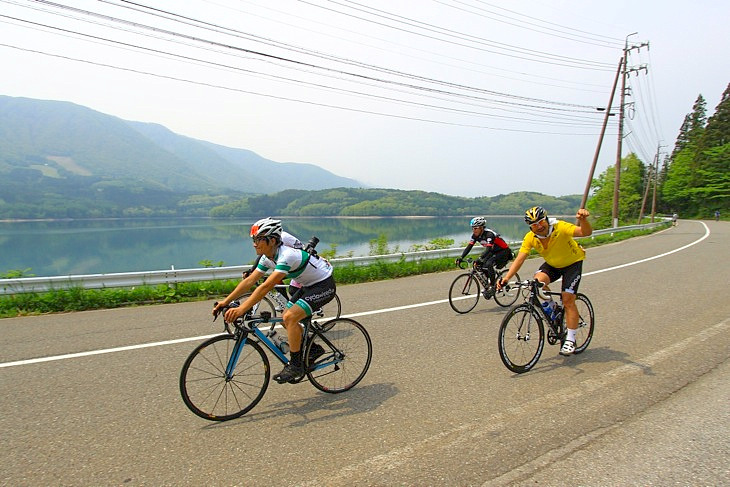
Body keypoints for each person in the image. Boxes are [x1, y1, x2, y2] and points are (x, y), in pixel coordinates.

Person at [213, 218, 336, 383]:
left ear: (271, 240)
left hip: (323, 285)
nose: (254, 244)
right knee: (286, 321)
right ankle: (313, 349)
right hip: (307, 285)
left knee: (289, 317)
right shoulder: (268, 257)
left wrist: (241, 309)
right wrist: (225, 302)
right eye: (253, 240)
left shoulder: (287, 256)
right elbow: (249, 282)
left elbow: (265, 287)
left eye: (258, 239)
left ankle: (296, 365)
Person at [497, 206, 592, 356]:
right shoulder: (530, 237)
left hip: (572, 264)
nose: (539, 226)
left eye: (541, 222)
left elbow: (585, 232)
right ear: (530, 226)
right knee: (536, 283)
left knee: (568, 300)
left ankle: (570, 339)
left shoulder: (560, 227)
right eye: (534, 224)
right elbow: (520, 258)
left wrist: (583, 220)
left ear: (547, 219)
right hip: (553, 265)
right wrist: (507, 278)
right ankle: (553, 307)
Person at [455, 216, 513, 297]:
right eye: (473, 228)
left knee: (489, 264)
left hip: (503, 251)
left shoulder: (489, 234)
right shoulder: (475, 235)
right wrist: (461, 257)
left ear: (481, 228)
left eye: (476, 228)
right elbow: (469, 247)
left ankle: (493, 287)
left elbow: (488, 249)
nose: (474, 230)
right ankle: (489, 282)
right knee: (480, 265)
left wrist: (480, 258)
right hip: (493, 251)